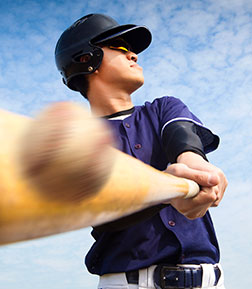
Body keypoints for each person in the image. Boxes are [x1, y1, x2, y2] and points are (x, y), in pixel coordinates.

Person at [55, 14, 228, 289]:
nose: (133, 55)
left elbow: (183, 140)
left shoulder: (163, 108)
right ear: (86, 59)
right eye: (120, 48)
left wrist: (196, 169)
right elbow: (104, 207)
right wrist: (168, 191)